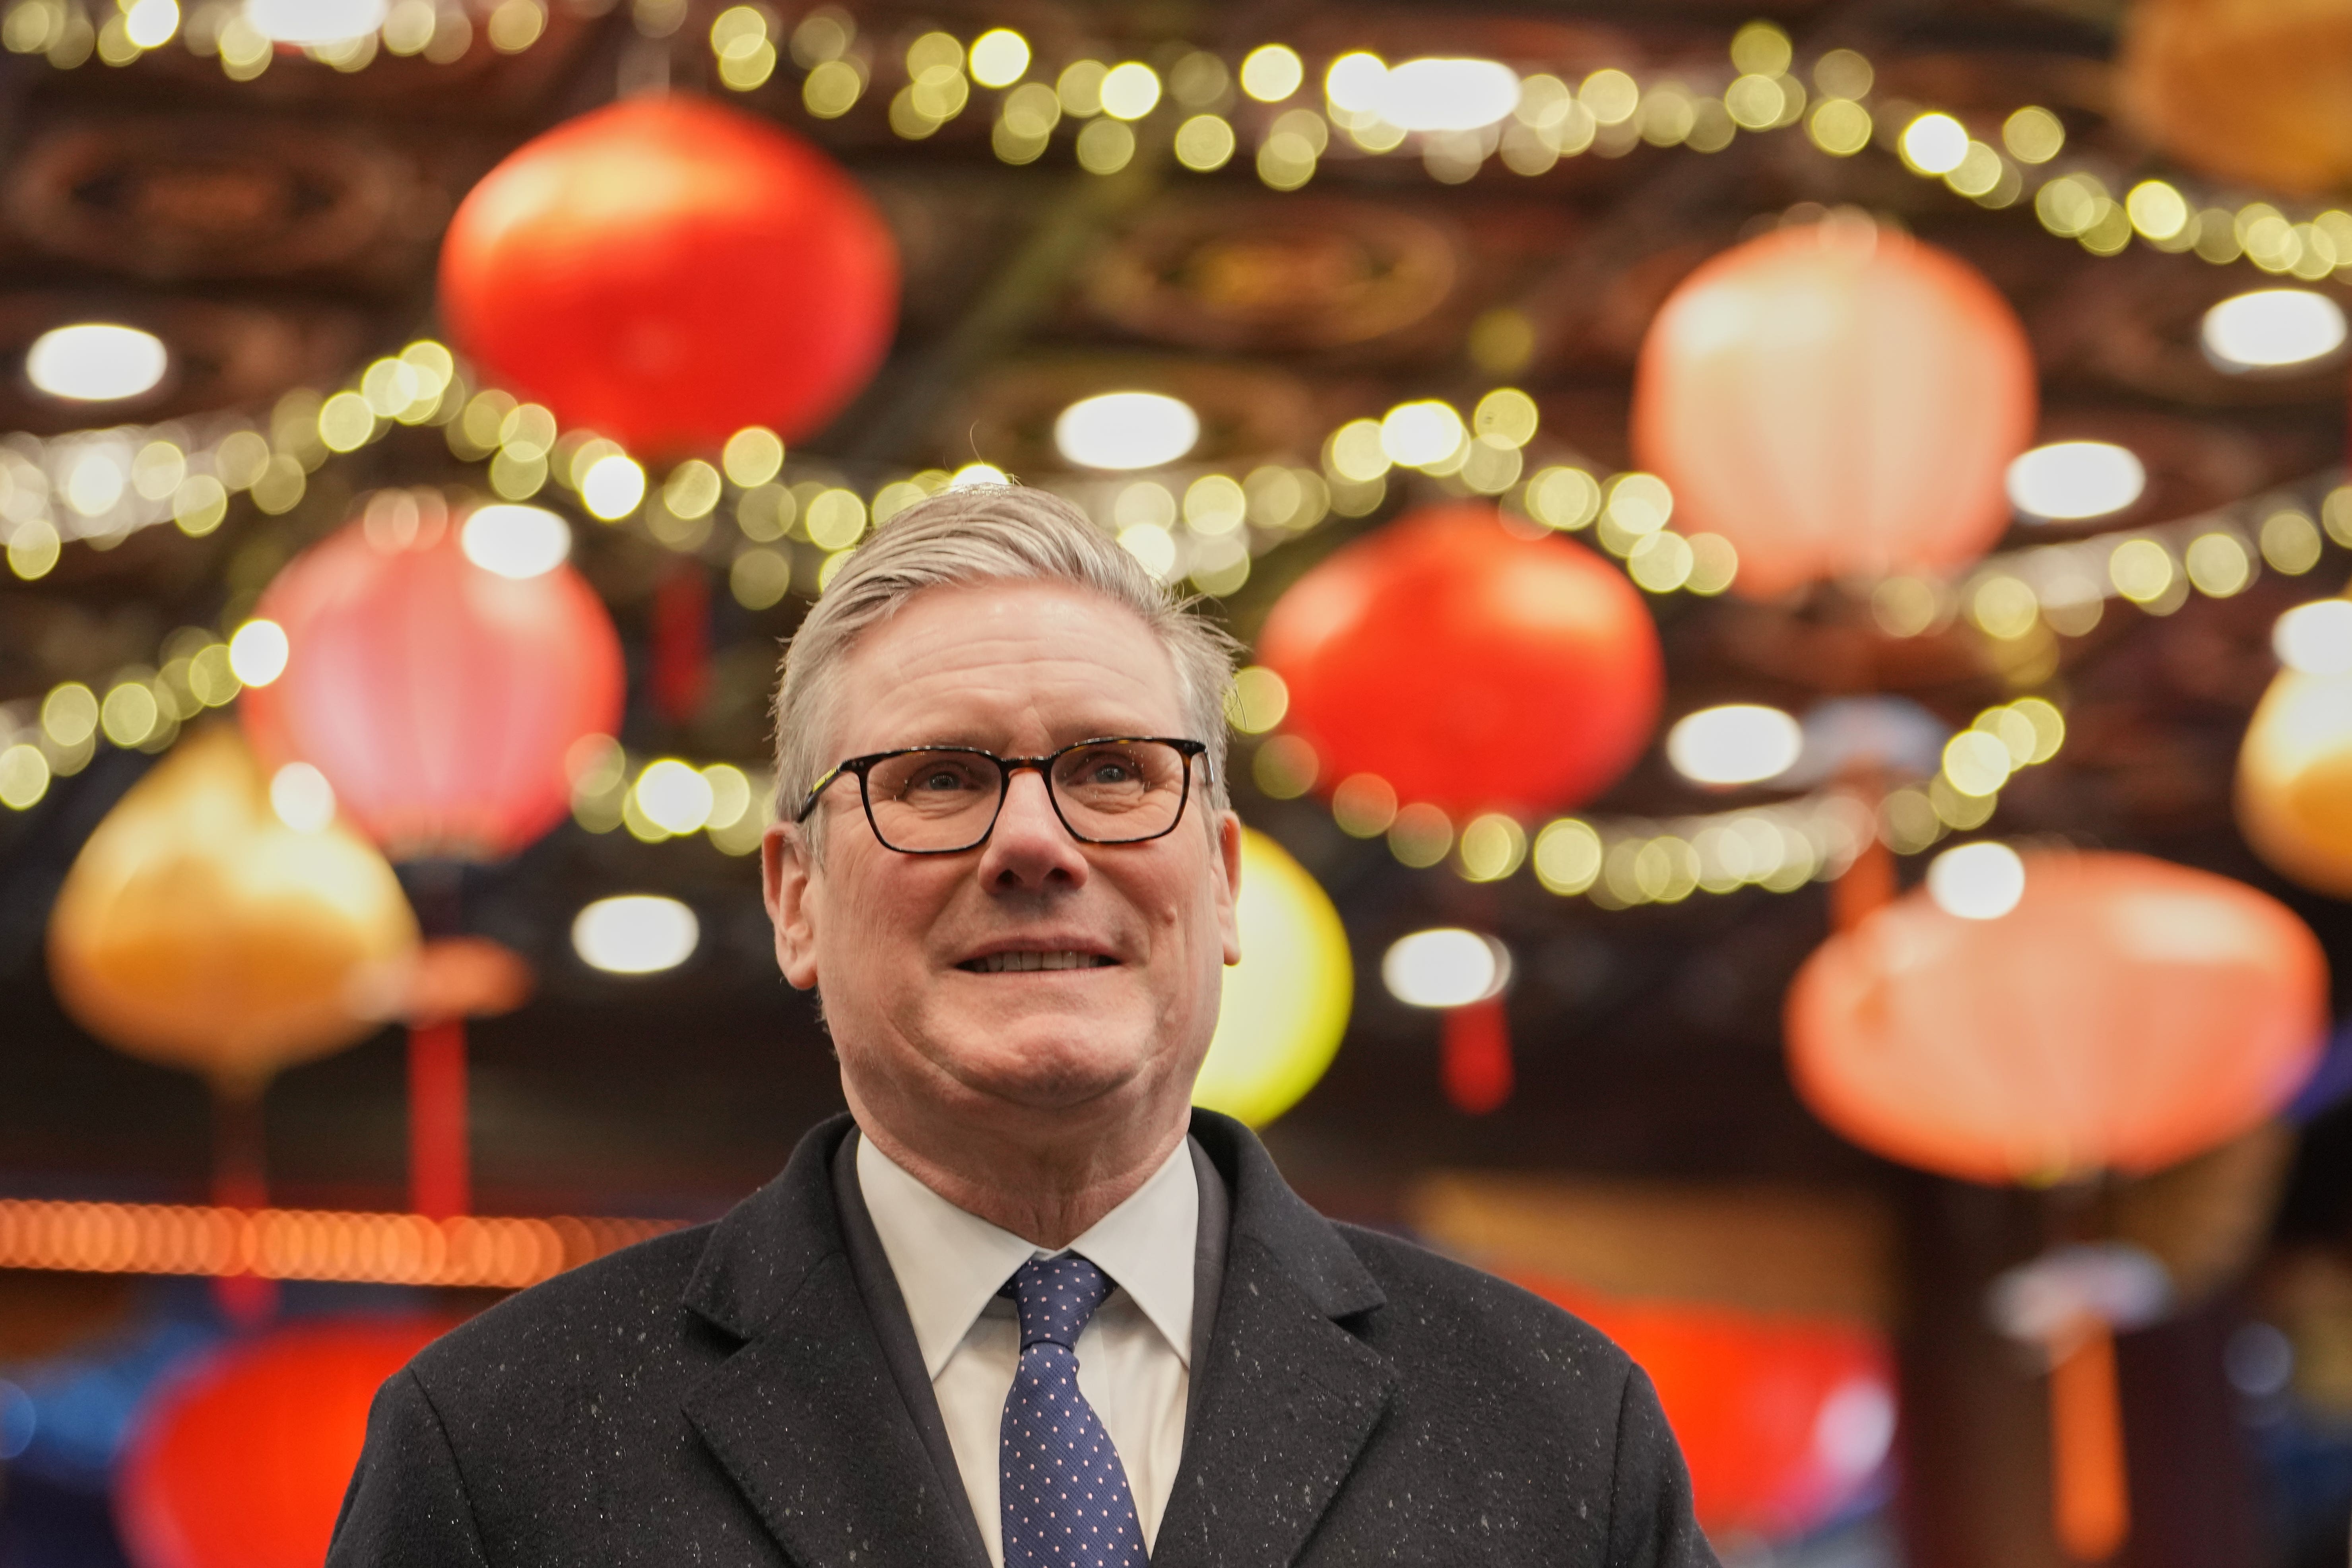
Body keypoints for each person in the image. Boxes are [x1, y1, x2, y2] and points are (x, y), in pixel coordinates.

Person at [327, 485, 1716, 1568]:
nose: (1035, 843)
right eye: (938, 779)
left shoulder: (1555, 1428)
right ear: (795, 896)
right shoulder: (504, 1447)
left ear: (1221, 880)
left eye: (1112, 770)